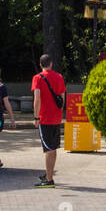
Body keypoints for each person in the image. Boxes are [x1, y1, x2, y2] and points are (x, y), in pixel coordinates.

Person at [31, 53, 66, 188]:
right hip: (56, 118)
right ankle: (48, 174)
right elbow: (62, 98)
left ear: (41, 65)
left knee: (48, 149)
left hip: (44, 118)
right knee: (53, 147)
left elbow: (37, 99)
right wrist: (59, 113)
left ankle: (49, 179)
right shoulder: (59, 77)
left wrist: (36, 117)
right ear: (51, 64)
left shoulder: (37, 78)